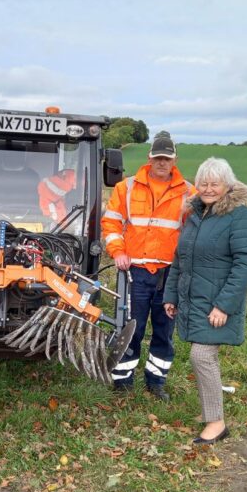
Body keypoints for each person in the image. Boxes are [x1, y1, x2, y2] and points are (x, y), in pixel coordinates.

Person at [163, 157, 247, 444]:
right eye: (203, 183)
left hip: (217, 302)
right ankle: (209, 410)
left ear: (228, 185)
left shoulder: (240, 216)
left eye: (214, 183)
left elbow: (246, 264)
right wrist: (171, 295)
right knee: (200, 356)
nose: (208, 188)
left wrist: (224, 305)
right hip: (194, 299)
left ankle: (216, 423)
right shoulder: (195, 215)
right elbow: (180, 259)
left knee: (201, 356)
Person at [101, 134, 196, 401]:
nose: (162, 162)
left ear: (175, 160)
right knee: (132, 328)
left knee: (164, 330)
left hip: (170, 274)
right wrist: (118, 251)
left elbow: (198, 228)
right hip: (136, 272)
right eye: (158, 158)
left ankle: (156, 382)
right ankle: (123, 383)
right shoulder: (127, 187)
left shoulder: (189, 192)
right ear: (149, 158)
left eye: (167, 158)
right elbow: (111, 223)